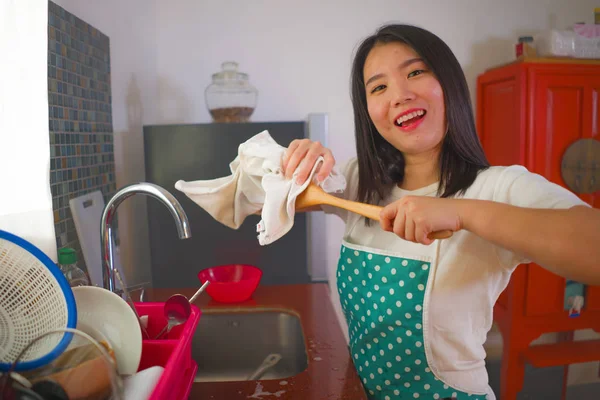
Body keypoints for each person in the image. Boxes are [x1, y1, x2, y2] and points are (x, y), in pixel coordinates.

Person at [282, 24, 600, 400]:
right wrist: (291, 164)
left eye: (416, 72)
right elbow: (248, 200)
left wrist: (461, 213)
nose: (400, 95)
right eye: (379, 87)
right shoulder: (356, 182)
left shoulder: (498, 187)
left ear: (449, 84)